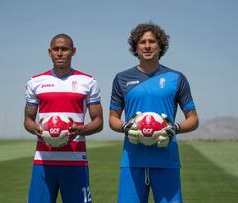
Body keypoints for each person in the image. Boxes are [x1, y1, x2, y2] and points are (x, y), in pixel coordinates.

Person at [109, 23, 199, 203]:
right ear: (136, 47)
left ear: (160, 46)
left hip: (166, 158)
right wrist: (125, 126)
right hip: (132, 160)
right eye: (142, 42)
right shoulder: (122, 78)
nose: (147, 46)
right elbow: (113, 118)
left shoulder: (176, 78)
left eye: (152, 41)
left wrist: (175, 128)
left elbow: (193, 119)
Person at [24, 33, 103, 203]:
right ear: (49, 52)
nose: (60, 53)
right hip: (43, 161)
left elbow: (98, 122)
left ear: (73, 51)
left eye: (64, 49)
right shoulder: (35, 82)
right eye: (56, 49)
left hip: (75, 160)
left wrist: (81, 129)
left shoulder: (88, 81)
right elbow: (28, 120)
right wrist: (35, 128)